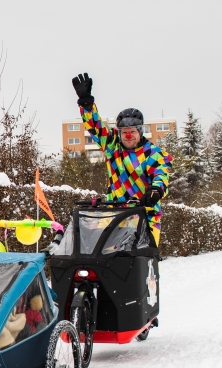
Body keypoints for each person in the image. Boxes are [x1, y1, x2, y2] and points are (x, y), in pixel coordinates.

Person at [71, 73, 173, 245]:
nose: (128, 136)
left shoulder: (153, 153)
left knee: (143, 261)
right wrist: (87, 104)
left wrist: (155, 190)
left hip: (145, 214)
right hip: (115, 214)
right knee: (100, 256)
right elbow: (96, 128)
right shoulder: (113, 146)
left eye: (132, 131)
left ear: (140, 132)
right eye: (124, 132)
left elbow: (161, 175)